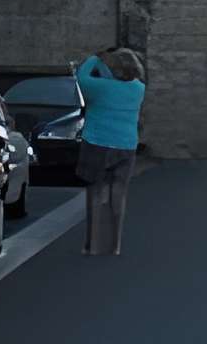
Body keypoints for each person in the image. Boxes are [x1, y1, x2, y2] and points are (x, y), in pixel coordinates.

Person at [73, 45, 145, 255]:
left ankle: (92, 245)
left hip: (98, 143)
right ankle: (116, 245)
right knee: (119, 195)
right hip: (126, 145)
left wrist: (96, 58)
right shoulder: (138, 89)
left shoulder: (99, 87)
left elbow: (82, 75)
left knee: (94, 194)